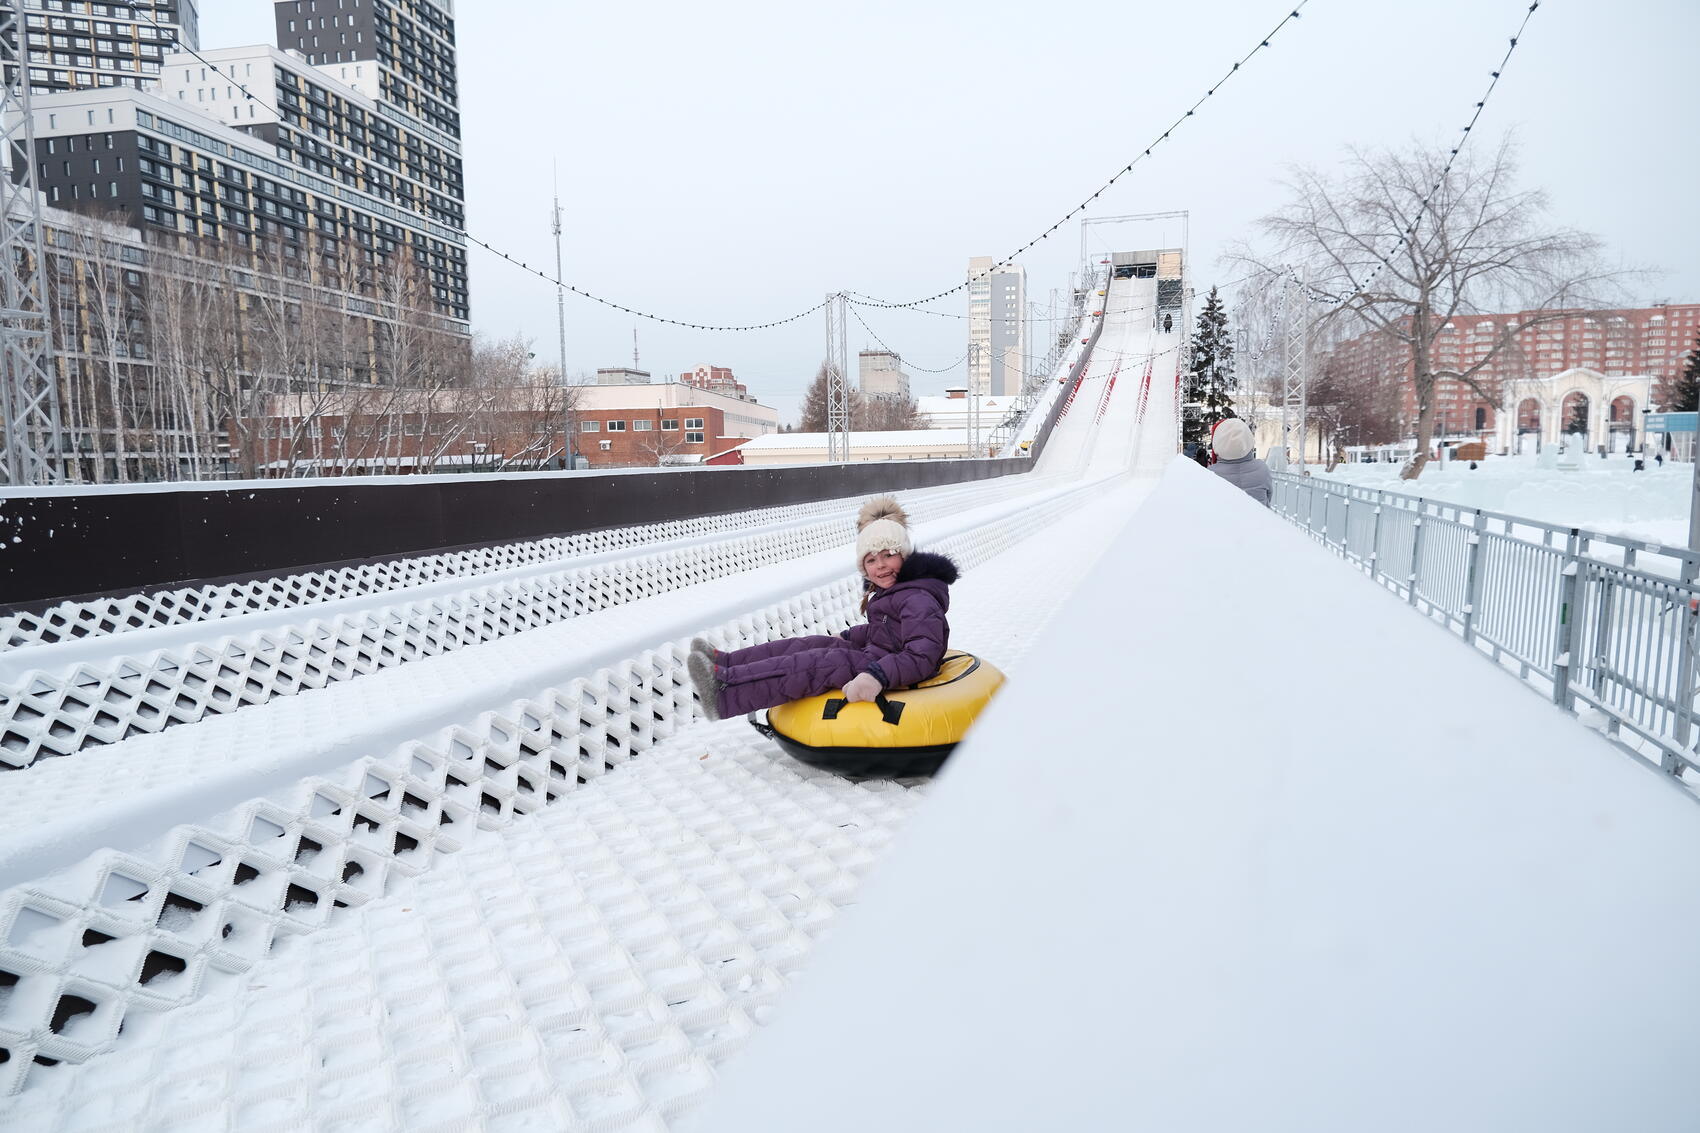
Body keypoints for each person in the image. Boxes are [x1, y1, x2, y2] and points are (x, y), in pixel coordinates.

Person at [686, 496, 958, 721]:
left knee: (816, 663)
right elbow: (888, 630)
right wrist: (852, 636)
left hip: (888, 667)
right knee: (806, 644)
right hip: (877, 654)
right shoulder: (897, 591)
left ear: (905, 556)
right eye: (872, 560)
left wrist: (877, 675)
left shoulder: (917, 598)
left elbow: (922, 654)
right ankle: (726, 662)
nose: (881, 565)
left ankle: (724, 691)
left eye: (889, 555)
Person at [1208, 417, 1272, 506]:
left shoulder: (1211, 473)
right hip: (1258, 519)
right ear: (1248, 439)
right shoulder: (1262, 468)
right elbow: (1268, 496)